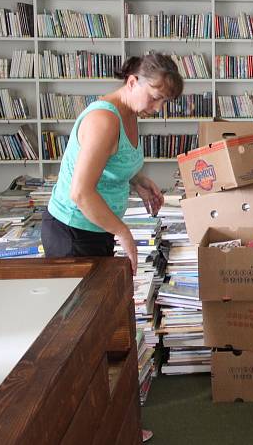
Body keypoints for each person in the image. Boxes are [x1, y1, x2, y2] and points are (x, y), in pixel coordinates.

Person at [41, 53, 184, 441]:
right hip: (72, 233)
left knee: (104, 330)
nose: (157, 108)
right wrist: (123, 233)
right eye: (155, 98)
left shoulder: (131, 112)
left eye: (164, 103)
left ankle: (113, 423)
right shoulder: (105, 118)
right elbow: (81, 192)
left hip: (93, 231)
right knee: (81, 340)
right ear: (133, 81)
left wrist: (139, 180)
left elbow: (114, 161)